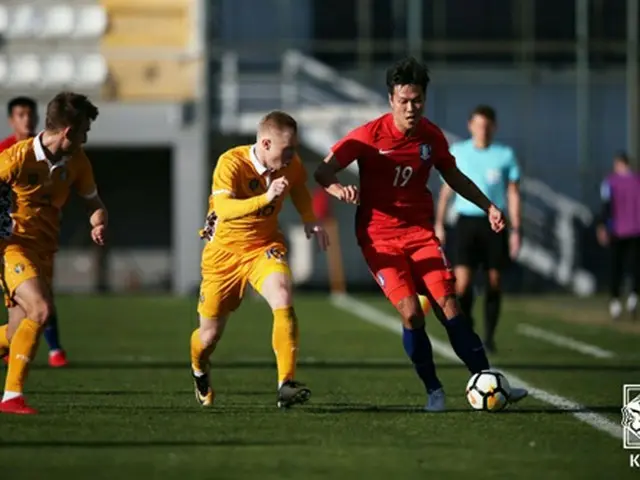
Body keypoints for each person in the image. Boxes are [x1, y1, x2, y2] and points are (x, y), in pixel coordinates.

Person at [314, 57, 527, 412]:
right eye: (404, 101)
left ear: (424, 99)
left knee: (449, 307)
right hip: (379, 238)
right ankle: (434, 390)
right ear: (390, 100)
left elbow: (453, 176)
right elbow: (323, 170)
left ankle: (488, 379)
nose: (411, 108)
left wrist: (489, 205)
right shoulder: (368, 136)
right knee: (412, 314)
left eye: (417, 100)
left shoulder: (431, 135)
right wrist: (339, 190)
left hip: (421, 235)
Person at [190, 110, 329, 409]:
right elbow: (224, 209)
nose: (292, 155)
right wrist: (266, 198)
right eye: (287, 149)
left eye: (294, 148)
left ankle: (285, 384)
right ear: (265, 144)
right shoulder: (231, 163)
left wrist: (309, 218)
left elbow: (301, 188)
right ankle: (199, 368)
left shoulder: (290, 165)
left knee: (282, 292)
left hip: (263, 247)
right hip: (223, 256)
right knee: (209, 337)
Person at [0, 92, 107, 414]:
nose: (86, 138)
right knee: (42, 309)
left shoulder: (77, 162)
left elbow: (94, 203)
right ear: (69, 132)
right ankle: (12, 397)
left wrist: (98, 222)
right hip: (13, 248)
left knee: (19, 331)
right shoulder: (17, 157)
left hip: (45, 252)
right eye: (85, 131)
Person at [433, 105, 521, 353]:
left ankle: (490, 337)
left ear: (494, 127)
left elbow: (513, 193)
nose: (482, 130)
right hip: (465, 222)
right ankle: (468, 327)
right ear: (470, 126)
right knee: (462, 284)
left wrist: (516, 229)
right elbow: (446, 190)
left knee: (494, 281)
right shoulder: (458, 152)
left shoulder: (504, 155)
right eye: (478, 125)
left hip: (494, 223)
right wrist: (439, 223)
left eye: (487, 125)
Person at [0, 96, 68, 368]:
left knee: (36, 305)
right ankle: (15, 392)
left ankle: (47, 349)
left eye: (30, 114)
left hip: (42, 239)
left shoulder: (54, 154)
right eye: (20, 114)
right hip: (11, 242)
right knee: (38, 305)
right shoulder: (7, 153)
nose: (26, 119)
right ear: (11, 120)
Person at [596, 152, 640, 319]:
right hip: (636, 229)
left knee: (616, 267)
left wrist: (602, 227)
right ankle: (633, 297)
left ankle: (615, 302)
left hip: (618, 230)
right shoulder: (637, 180)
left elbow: (606, 206)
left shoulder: (610, 182)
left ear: (618, 164)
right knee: (635, 266)